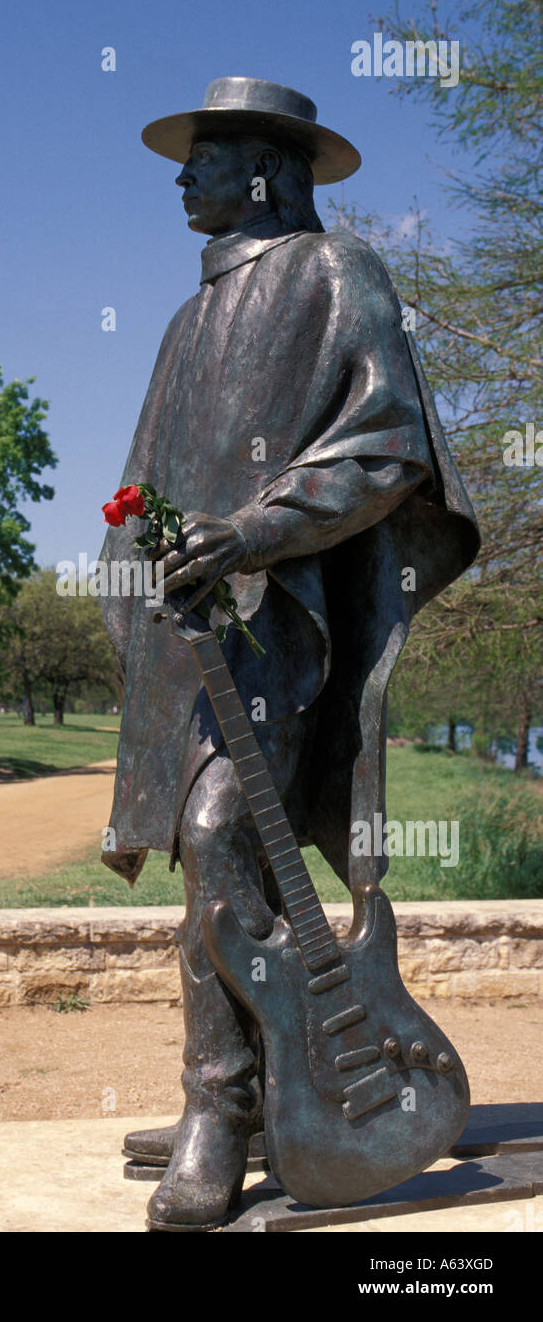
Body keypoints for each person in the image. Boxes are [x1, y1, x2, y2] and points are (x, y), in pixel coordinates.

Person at [99, 77, 478, 1231]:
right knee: (209, 876)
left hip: (284, 621)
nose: (180, 178)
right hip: (190, 634)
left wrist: (253, 532)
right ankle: (242, 1097)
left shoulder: (335, 274)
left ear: (262, 169)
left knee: (223, 834)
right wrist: (141, 570)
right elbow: (147, 477)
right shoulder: (183, 320)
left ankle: (222, 1107)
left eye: (201, 158)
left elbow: (384, 451)